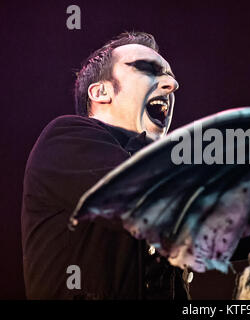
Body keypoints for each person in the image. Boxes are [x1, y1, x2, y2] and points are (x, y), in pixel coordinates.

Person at [21, 31, 190, 299]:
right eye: (149, 70)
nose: (172, 83)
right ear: (101, 92)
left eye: (169, 75)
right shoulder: (65, 138)